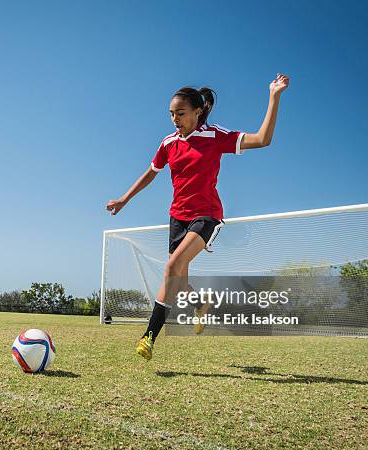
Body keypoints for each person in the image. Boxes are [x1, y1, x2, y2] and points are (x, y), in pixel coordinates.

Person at [106, 74, 290, 360]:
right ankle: (200, 303)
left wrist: (274, 96)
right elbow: (150, 174)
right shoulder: (168, 143)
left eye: (180, 113)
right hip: (177, 218)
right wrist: (124, 199)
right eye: (171, 114)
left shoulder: (215, 137)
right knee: (178, 284)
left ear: (198, 111)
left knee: (170, 267)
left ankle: (148, 338)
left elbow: (263, 139)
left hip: (207, 216)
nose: (175, 119)